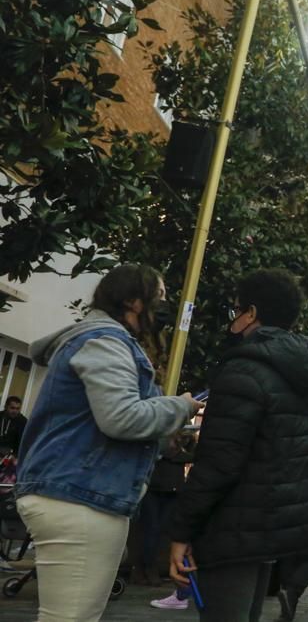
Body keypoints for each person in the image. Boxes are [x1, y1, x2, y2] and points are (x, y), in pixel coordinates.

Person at [14, 264, 202, 622]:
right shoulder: (106, 341)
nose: (164, 305)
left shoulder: (101, 340)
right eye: (159, 296)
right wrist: (180, 407)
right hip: (80, 497)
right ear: (133, 301)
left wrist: (165, 434)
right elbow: (121, 418)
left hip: (76, 493)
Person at [166, 269, 308, 622]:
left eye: (235, 310)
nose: (233, 318)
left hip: (234, 524)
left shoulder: (243, 370)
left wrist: (181, 532)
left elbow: (219, 463)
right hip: (278, 523)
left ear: (250, 313)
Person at [143, 430, 198, 609]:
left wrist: (189, 439)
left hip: (172, 490)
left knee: (165, 532)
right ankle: (147, 569)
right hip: (156, 489)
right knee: (152, 530)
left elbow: (191, 456)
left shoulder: (179, 439)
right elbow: (169, 454)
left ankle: (157, 569)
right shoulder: (162, 435)